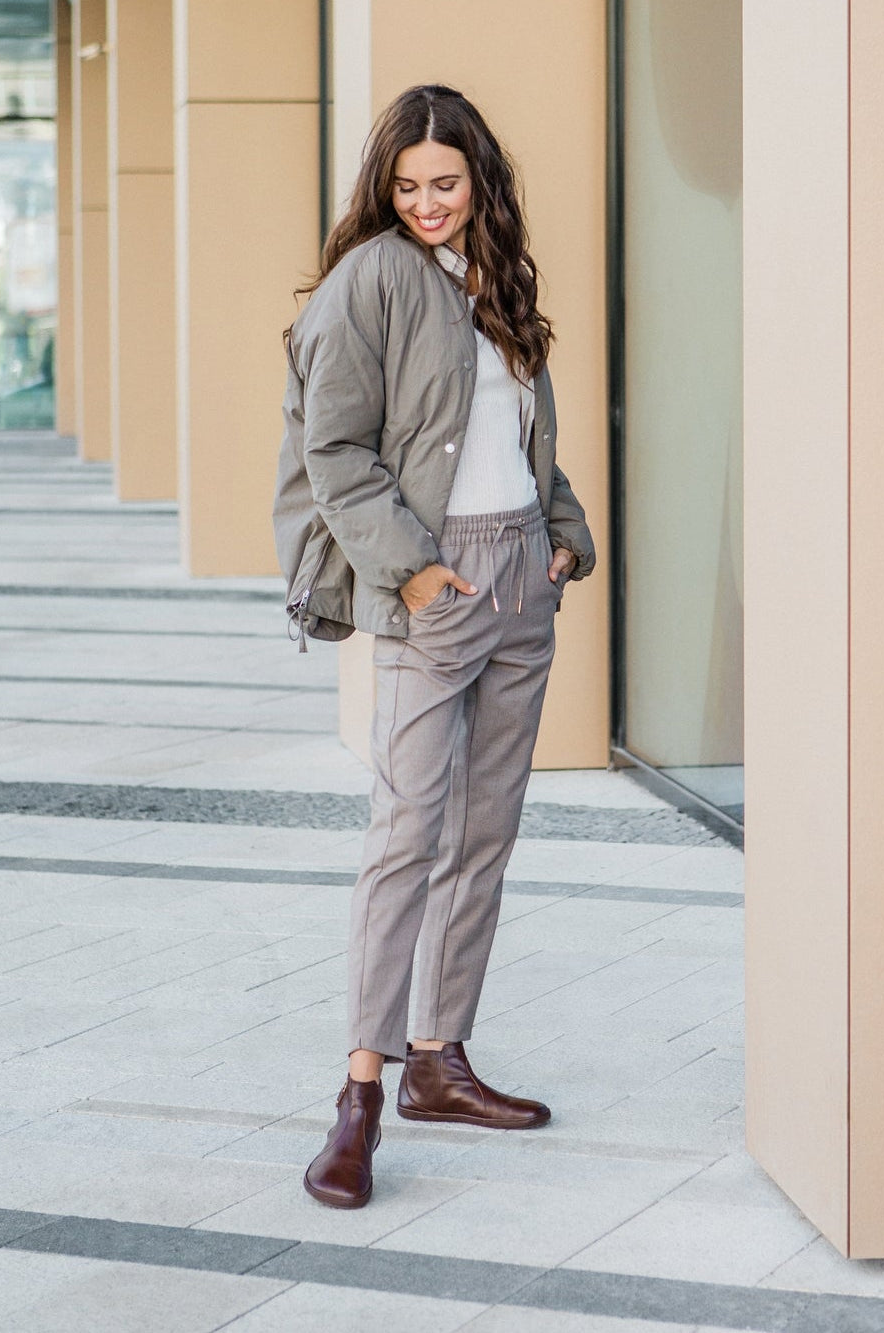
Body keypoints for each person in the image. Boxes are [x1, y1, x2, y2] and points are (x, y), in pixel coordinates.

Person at [273, 84, 596, 1210]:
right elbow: (334, 448)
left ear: (479, 182)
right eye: (407, 187)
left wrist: (563, 535)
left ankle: (439, 1060)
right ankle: (360, 1091)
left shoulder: (497, 280)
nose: (426, 204)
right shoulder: (372, 280)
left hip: (521, 584)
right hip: (434, 576)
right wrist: (410, 567)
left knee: (484, 832)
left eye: (445, 184)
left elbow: (524, 438)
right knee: (406, 830)